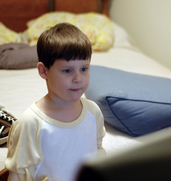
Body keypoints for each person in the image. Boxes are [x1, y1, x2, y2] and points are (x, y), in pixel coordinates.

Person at [5, 22, 106, 181]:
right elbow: (19, 175)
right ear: (43, 71)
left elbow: (98, 150)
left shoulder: (93, 112)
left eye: (84, 69)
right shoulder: (31, 123)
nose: (78, 79)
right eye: (67, 70)